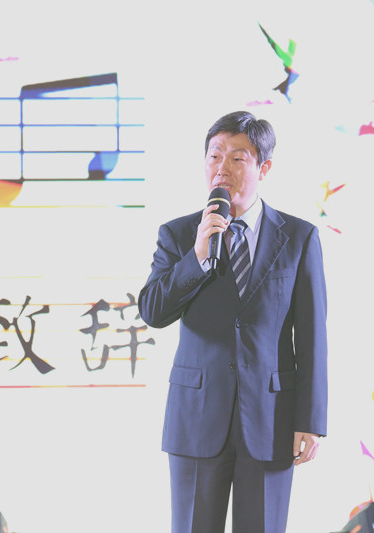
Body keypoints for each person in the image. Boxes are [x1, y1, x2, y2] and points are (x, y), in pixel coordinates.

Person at [138, 110, 328, 533]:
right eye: (214, 156)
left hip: (271, 420)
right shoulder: (180, 234)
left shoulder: (299, 238)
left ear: (264, 168)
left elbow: (312, 335)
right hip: (196, 418)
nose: (221, 168)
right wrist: (197, 256)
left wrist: (311, 420)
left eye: (237, 158)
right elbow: (152, 310)